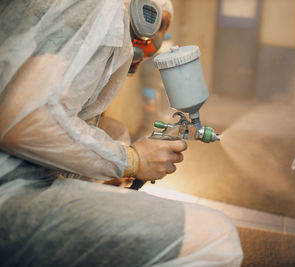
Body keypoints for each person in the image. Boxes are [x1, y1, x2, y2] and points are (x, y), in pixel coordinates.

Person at [0, 0, 243, 266]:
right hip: (9, 193)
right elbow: (22, 123)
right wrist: (132, 160)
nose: (153, 42)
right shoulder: (104, 7)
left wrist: (119, 161)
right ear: (140, 10)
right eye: (156, 23)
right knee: (218, 238)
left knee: (115, 131)